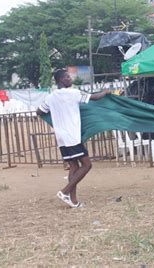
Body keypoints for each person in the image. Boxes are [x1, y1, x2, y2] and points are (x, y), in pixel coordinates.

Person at [37, 69, 110, 208]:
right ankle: (65, 191)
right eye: (67, 77)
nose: (70, 79)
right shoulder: (73, 93)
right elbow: (94, 97)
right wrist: (105, 92)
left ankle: (73, 200)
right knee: (87, 165)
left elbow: (39, 111)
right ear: (60, 80)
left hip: (61, 137)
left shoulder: (50, 97)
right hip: (72, 137)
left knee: (74, 166)